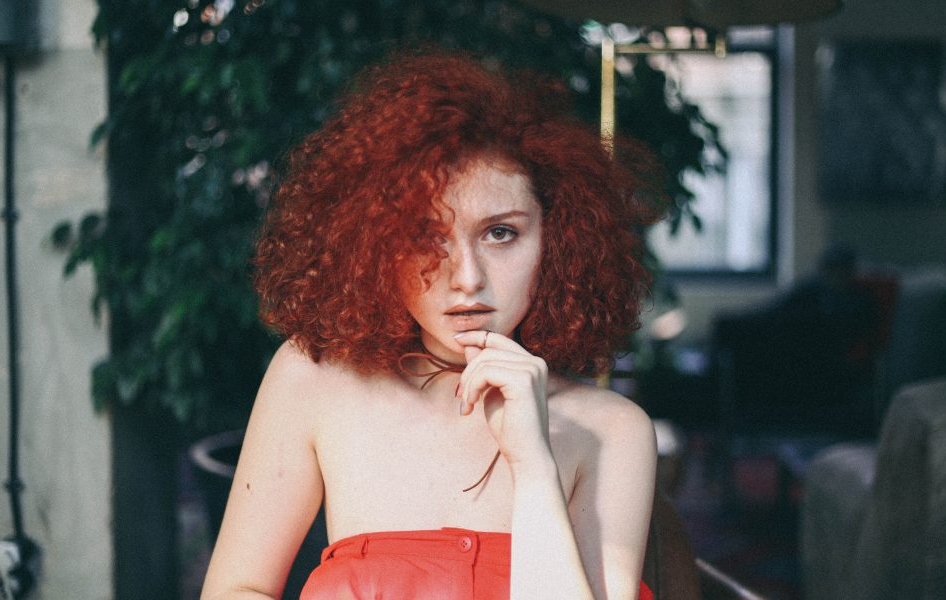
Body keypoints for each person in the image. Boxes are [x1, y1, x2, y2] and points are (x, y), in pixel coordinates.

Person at [201, 50, 660, 600]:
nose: (467, 278)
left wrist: (534, 465)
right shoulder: (313, 380)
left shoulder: (611, 432)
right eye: (427, 236)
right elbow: (237, 589)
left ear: (558, 241)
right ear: (376, 245)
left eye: (501, 234)